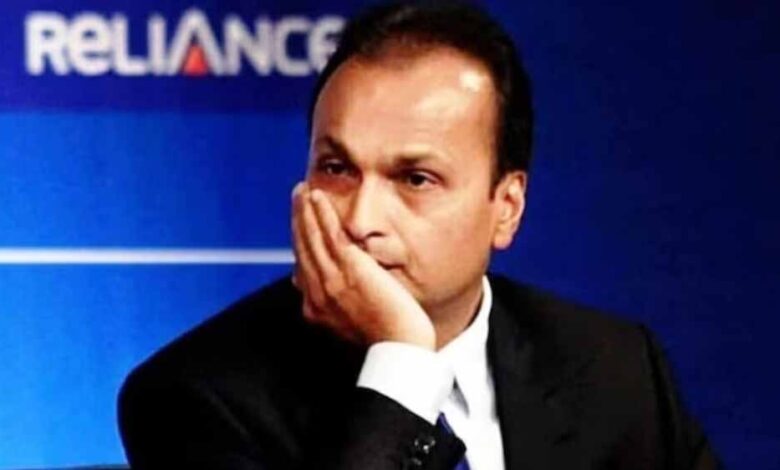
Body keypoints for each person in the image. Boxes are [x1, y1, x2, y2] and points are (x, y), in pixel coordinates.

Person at [118, 2, 720, 469]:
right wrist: (402, 365)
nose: (361, 219)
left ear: (506, 208)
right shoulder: (193, 398)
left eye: (415, 178)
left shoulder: (617, 372)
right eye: (336, 168)